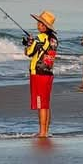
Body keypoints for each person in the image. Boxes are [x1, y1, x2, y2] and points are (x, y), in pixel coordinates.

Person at [23, 10, 58, 138]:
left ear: (44, 26)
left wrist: (28, 43)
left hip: (38, 73)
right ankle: (46, 130)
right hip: (48, 73)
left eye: (40, 22)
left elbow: (29, 53)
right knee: (46, 104)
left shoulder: (40, 38)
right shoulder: (54, 39)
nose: (38, 24)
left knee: (41, 105)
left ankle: (42, 132)